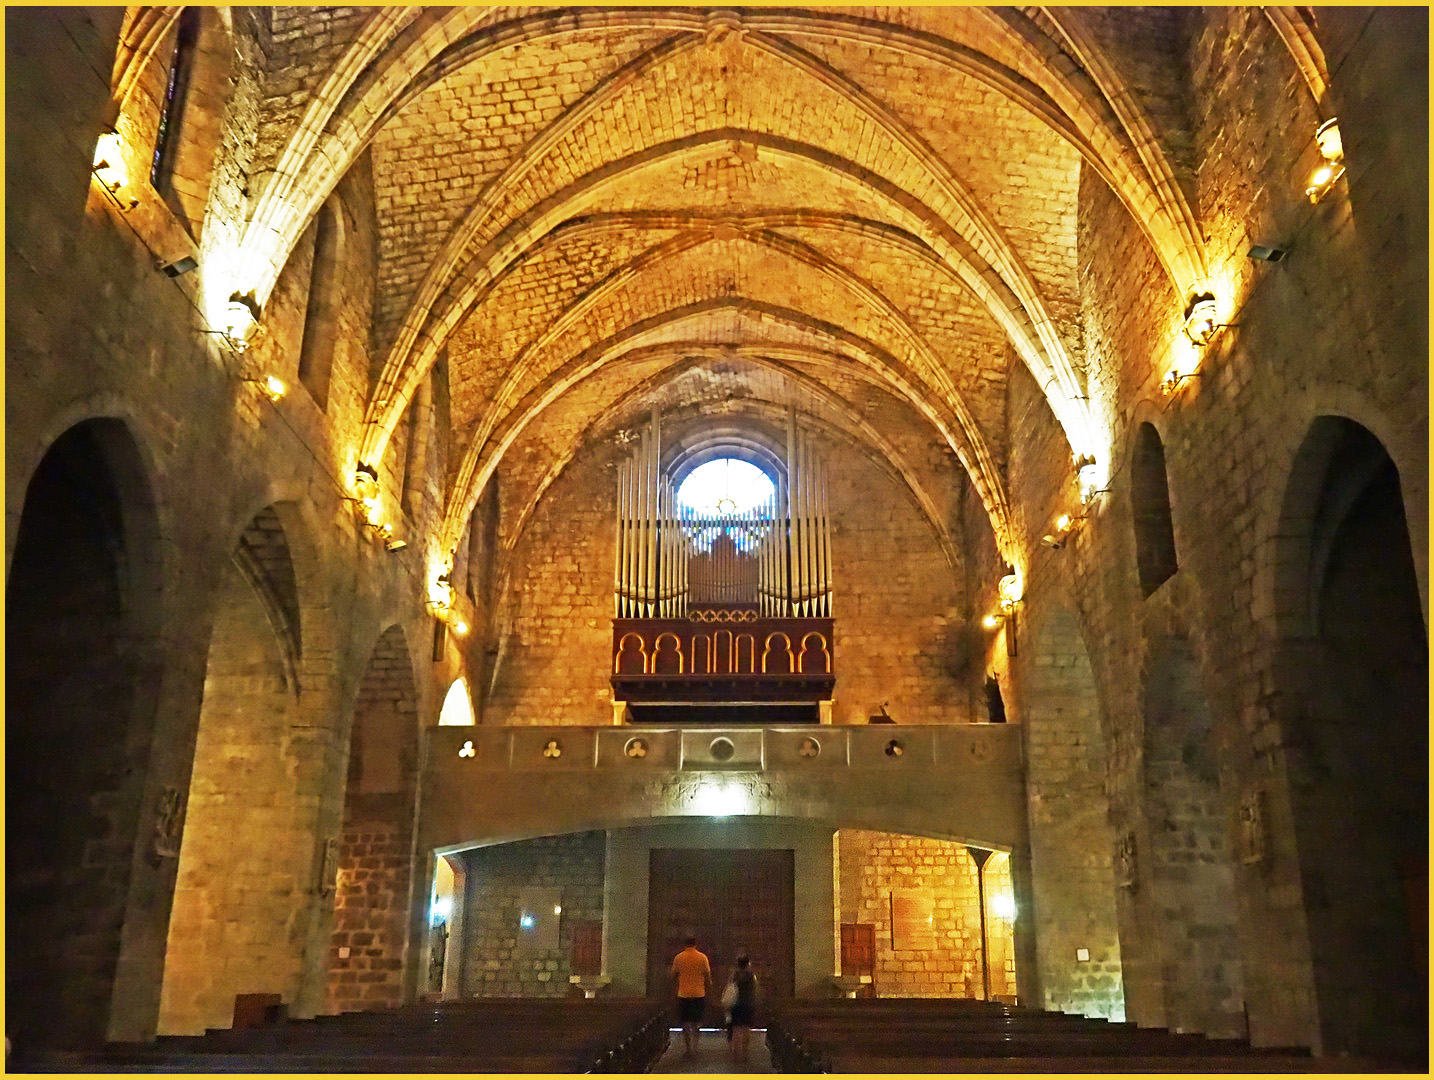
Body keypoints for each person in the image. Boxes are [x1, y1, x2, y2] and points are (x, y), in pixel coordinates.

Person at [670, 935, 711, 1059]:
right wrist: (710, 990)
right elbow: (708, 977)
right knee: (697, 1022)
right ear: (695, 944)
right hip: (699, 993)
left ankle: (688, 1048)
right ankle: (695, 1047)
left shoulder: (679, 958)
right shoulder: (702, 957)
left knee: (685, 1022)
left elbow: (673, 975)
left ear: (684, 944)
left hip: (684, 994)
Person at [726, 954, 758, 1066]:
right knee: (746, 1029)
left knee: (736, 1030)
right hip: (748, 1004)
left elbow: (729, 989)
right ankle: (744, 1053)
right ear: (748, 964)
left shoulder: (734, 975)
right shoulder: (751, 976)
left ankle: (736, 1053)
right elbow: (754, 990)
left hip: (735, 1004)